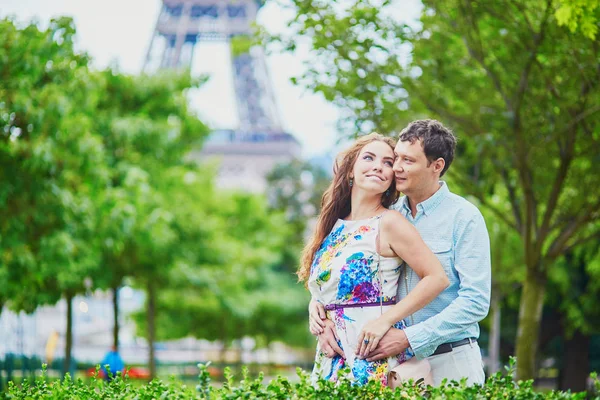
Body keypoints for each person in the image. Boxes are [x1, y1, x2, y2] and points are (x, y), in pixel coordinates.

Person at [311, 120, 491, 386]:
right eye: (396, 159)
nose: (396, 168)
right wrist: (319, 310)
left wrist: (410, 337)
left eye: (407, 160)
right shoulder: (389, 214)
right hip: (395, 362)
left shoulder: (464, 217)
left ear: (437, 166)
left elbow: (475, 301)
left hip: (450, 357)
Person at [302, 133, 449, 386]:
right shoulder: (333, 227)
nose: (379, 166)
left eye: (388, 162)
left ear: (392, 177)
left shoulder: (389, 223)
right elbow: (329, 286)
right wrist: (317, 309)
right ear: (351, 170)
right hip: (332, 360)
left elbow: (437, 278)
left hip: (372, 356)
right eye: (369, 158)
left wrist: (385, 321)